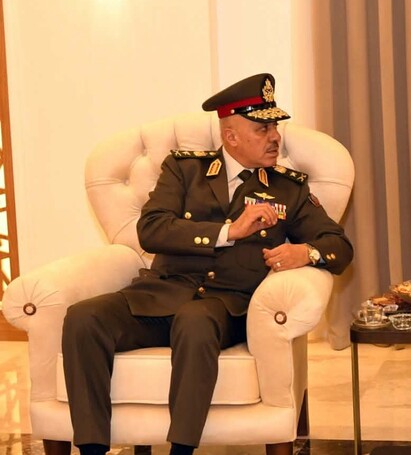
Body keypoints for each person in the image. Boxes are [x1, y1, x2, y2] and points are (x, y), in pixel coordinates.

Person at [62, 73, 354, 455]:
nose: (275, 138)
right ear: (231, 136)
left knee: (195, 319)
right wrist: (229, 231)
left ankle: (181, 450)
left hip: (227, 306)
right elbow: (151, 229)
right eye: (262, 129)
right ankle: (91, 449)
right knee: (83, 318)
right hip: (161, 294)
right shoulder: (184, 170)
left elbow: (338, 246)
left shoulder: (288, 188)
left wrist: (307, 253)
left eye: (275, 128)